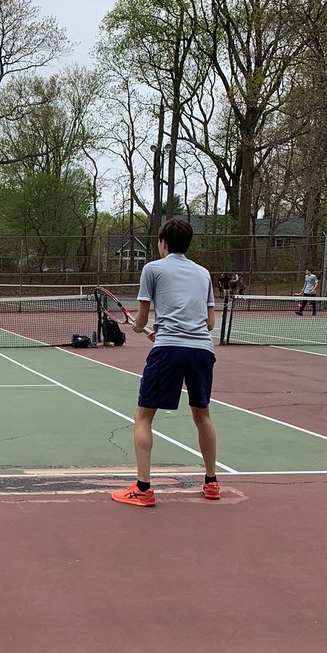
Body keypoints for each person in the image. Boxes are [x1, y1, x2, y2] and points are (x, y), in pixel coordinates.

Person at [111, 218, 220, 508]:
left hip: (169, 349)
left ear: (163, 243)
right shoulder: (204, 274)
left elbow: (141, 319)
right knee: (203, 416)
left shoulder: (152, 269)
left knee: (143, 417)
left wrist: (139, 327)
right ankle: (211, 483)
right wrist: (163, 331)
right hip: (202, 351)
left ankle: (143, 489)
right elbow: (209, 323)